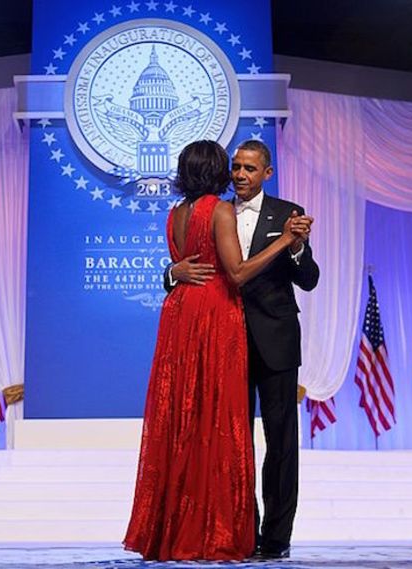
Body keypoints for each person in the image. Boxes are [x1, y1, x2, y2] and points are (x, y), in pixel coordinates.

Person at [123, 140, 308, 561]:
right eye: (234, 167)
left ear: (266, 172)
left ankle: (261, 536)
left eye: (248, 168)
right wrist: (280, 243)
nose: (239, 175)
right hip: (217, 325)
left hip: (204, 324)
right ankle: (218, 531)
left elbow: (308, 276)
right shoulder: (219, 210)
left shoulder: (179, 213)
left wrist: (293, 243)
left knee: (198, 424)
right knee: (220, 432)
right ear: (222, 171)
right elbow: (237, 273)